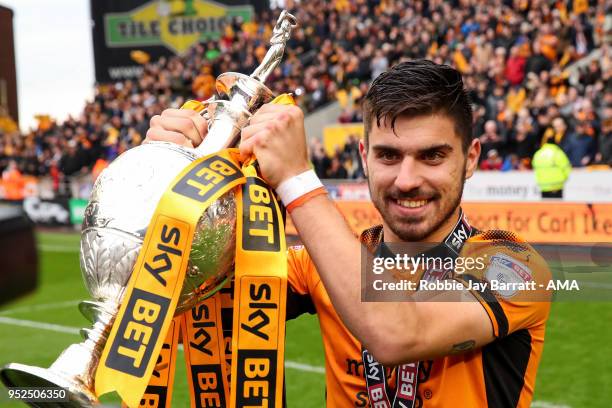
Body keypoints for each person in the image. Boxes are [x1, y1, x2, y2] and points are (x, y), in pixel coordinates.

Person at [146, 60, 551, 407]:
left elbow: (397, 335)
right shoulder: (320, 264)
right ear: (364, 158)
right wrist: (168, 180)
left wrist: (296, 179)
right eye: (388, 155)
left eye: (432, 156)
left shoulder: (516, 266)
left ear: (470, 159)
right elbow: (173, 305)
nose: (407, 180)